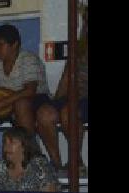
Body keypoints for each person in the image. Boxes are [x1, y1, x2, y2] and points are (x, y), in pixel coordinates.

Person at [35, 4, 88, 170]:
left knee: (67, 112)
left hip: (82, 100)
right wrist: (56, 100)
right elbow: (67, 75)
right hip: (74, 98)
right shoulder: (80, 45)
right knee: (44, 113)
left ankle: (76, 161)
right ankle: (56, 163)